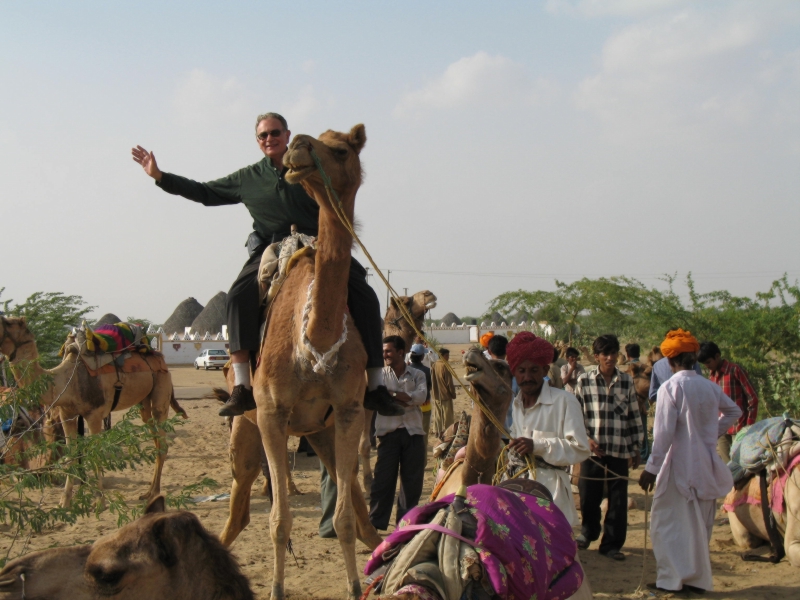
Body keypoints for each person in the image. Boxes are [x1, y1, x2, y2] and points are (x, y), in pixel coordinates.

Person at [131, 113, 402, 418]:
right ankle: (242, 386)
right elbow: (205, 193)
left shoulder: (309, 168)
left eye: (275, 133)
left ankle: (376, 386)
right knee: (237, 297)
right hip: (270, 248)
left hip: (319, 243)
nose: (269, 139)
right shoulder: (249, 177)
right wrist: (160, 176)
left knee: (365, 294)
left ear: (287, 136)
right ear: (258, 141)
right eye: (263, 135)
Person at [639, 330, 741, 594]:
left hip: (678, 466)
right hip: (706, 463)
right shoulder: (709, 386)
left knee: (667, 524)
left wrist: (650, 470)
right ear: (693, 358)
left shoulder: (670, 388)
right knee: (699, 524)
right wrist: (709, 433)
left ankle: (673, 580)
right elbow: (734, 411)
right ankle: (694, 580)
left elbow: (662, 435)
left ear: (669, 360)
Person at [504, 332, 591, 525]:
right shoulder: (516, 404)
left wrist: (537, 446)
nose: (527, 377)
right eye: (521, 371)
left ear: (544, 370)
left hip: (552, 496)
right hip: (515, 491)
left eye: (534, 370)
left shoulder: (564, 401)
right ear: (514, 372)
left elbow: (581, 449)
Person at [574, 334, 643, 561]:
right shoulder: (584, 381)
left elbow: (634, 416)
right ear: (597, 357)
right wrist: (586, 439)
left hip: (619, 448)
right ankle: (589, 532)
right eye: (605, 354)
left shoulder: (626, 382)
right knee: (588, 494)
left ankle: (612, 544)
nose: (610, 358)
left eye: (613, 353)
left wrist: (635, 448)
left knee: (618, 499)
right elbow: (575, 415)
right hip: (592, 450)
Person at [369, 336, 428, 530]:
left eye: (388, 351)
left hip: (413, 433)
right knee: (383, 481)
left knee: (411, 483)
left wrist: (391, 395)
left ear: (401, 352)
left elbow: (421, 397)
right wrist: (402, 397)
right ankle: (376, 523)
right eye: (383, 351)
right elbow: (377, 397)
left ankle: (405, 525)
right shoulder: (378, 376)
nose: (384, 354)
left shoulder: (417, 374)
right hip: (388, 433)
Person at [698, 341, 759, 464]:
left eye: (709, 362)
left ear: (717, 356)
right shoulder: (711, 377)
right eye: (704, 364)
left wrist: (748, 425)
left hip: (739, 427)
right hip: (721, 429)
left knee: (742, 464)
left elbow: (752, 397)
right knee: (727, 466)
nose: (707, 366)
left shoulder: (735, 370)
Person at [648, 329, 702, 404]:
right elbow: (699, 388)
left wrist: (667, 398)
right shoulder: (710, 387)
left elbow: (653, 395)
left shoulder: (657, 366)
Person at [430, 348, 456, 438]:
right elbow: (449, 382)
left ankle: (437, 431)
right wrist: (453, 393)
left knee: (438, 414)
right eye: (447, 356)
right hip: (445, 395)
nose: (448, 358)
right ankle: (448, 432)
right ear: (444, 356)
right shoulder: (445, 365)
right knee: (447, 415)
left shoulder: (434, 365)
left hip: (436, 394)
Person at [408, 344, 432, 438]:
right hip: (425, 405)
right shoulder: (427, 370)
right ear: (422, 357)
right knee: (423, 434)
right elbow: (429, 386)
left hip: (409, 405)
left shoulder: (406, 370)